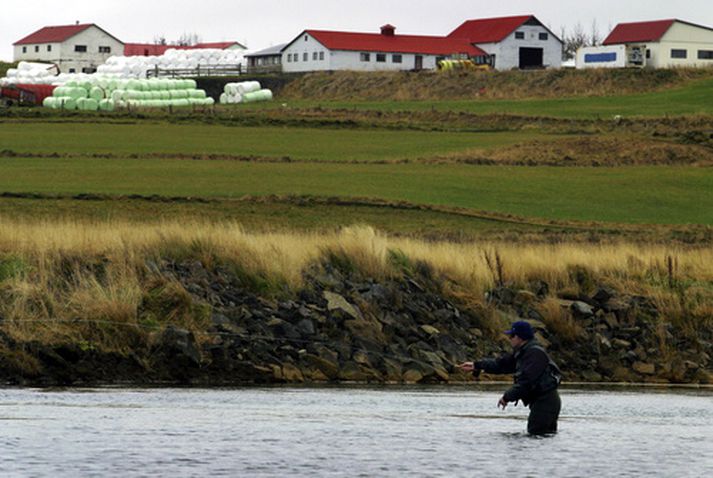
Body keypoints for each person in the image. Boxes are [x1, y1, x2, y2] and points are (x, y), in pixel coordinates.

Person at [460, 320, 562, 435]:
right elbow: (500, 365)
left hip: (546, 402)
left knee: (536, 434)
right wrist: (476, 365)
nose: (510, 338)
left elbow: (526, 382)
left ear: (521, 337)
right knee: (541, 436)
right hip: (539, 401)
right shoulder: (523, 353)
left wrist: (507, 397)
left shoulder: (534, 354)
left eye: (512, 335)